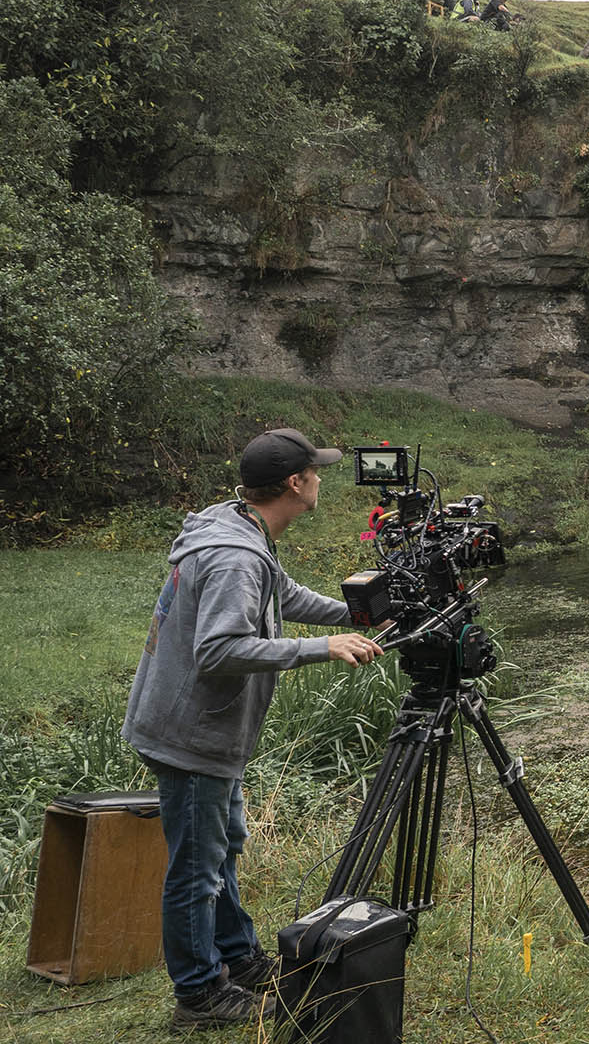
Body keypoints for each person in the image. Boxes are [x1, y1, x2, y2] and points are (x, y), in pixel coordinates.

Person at [122, 428, 384, 1031]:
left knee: (223, 845)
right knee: (196, 867)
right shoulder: (237, 555)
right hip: (191, 735)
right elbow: (220, 649)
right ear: (295, 483)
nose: (320, 478)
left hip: (197, 728)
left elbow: (281, 592)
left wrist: (358, 611)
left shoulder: (238, 525)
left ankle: (238, 959)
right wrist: (323, 647)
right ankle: (199, 995)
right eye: (315, 471)